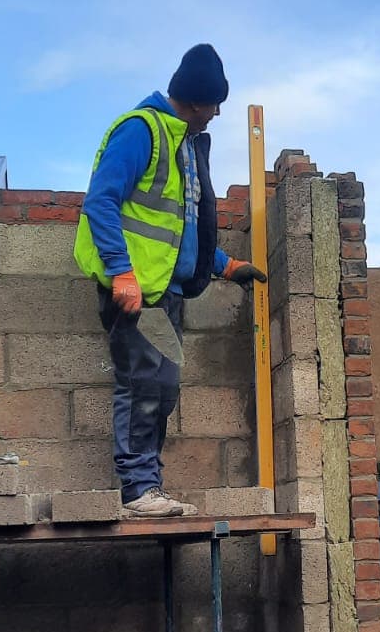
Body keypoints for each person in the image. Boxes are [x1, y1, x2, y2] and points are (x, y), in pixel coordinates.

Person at [74, 44, 266, 517]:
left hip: (166, 292)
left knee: (162, 390)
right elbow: (100, 201)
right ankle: (138, 490)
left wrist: (223, 265)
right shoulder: (142, 130)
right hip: (138, 291)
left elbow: (177, 229)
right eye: (215, 104)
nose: (217, 114)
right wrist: (121, 272)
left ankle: (148, 486)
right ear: (197, 101)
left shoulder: (182, 145)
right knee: (143, 384)